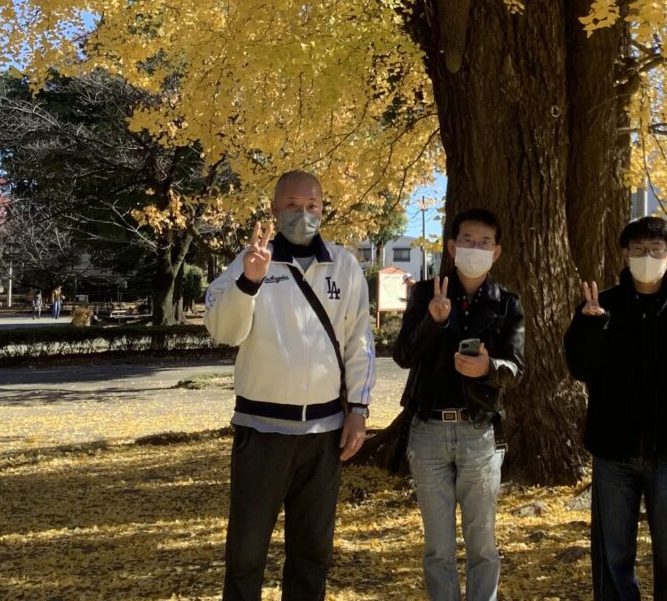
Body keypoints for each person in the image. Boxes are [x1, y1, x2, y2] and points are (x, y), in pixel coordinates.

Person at [204, 170, 375, 601]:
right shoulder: (251, 260)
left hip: (324, 434)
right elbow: (223, 329)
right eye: (293, 206)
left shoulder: (345, 265)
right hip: (262, 431)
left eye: (312, 205)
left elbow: (359, 342)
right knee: (245, 554)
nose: (304, 214)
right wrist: (250, 281)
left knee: (313, 552)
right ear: (275, 210)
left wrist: (358, 409)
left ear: (323, 209)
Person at [564, 215, 667, 601]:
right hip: (613, 453)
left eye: (656, 250)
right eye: (638, 249)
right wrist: (591, 328)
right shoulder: (599, 306)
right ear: (624, 254)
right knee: (612, 558)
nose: (647, 256)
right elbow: (580, 368)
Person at [393, 207, 525, 601]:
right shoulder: (425, 293)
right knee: (438, 548)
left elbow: (516, 370)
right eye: (467, 241)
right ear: (452, 246)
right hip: (428, 432)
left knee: (483, 543)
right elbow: (402, 355)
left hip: (479, 432)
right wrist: (432, 322)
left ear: (496, 252)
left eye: (485, 243)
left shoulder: (507, 304)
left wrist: (489, 367)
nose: (475, 249)